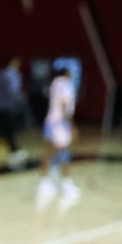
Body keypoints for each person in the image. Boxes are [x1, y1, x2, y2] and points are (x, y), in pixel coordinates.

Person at [39, 59, 80, 199]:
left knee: (50, 151)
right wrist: (72, 126)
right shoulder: (67, 85)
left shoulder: (55, 83)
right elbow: (65, 106)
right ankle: (65, 184)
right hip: (59, 123)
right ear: (68, 73)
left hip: (50, 121)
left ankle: (45, 182)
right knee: (62, 152)